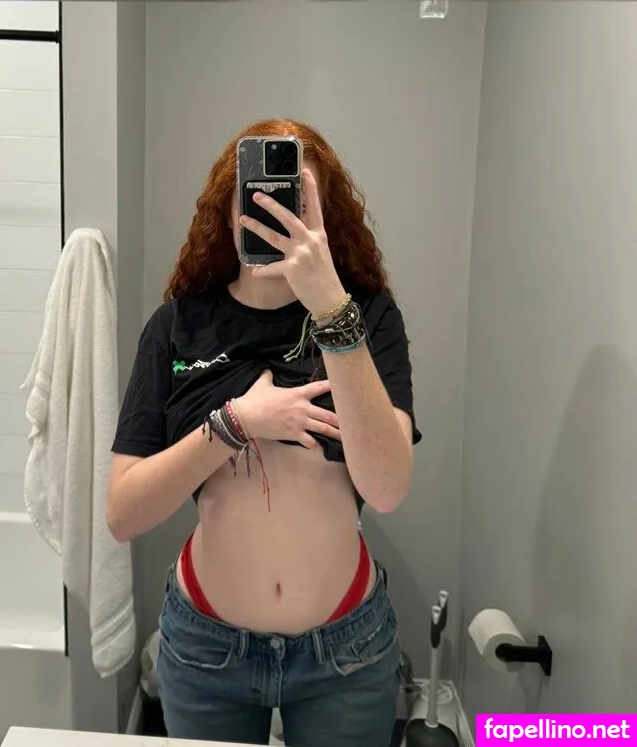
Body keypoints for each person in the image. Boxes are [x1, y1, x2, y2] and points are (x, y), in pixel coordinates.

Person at [107, 118, 421, 747]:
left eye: (295, 202)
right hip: (206, 648)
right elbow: (123, 514)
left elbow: (387, 488)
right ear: (228, 215)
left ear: (325, 217)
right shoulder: (177, 326)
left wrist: (332, 309)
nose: (275, 215)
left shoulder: (367, 316)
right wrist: (235, 424)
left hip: (346, 650)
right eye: (258, 198)